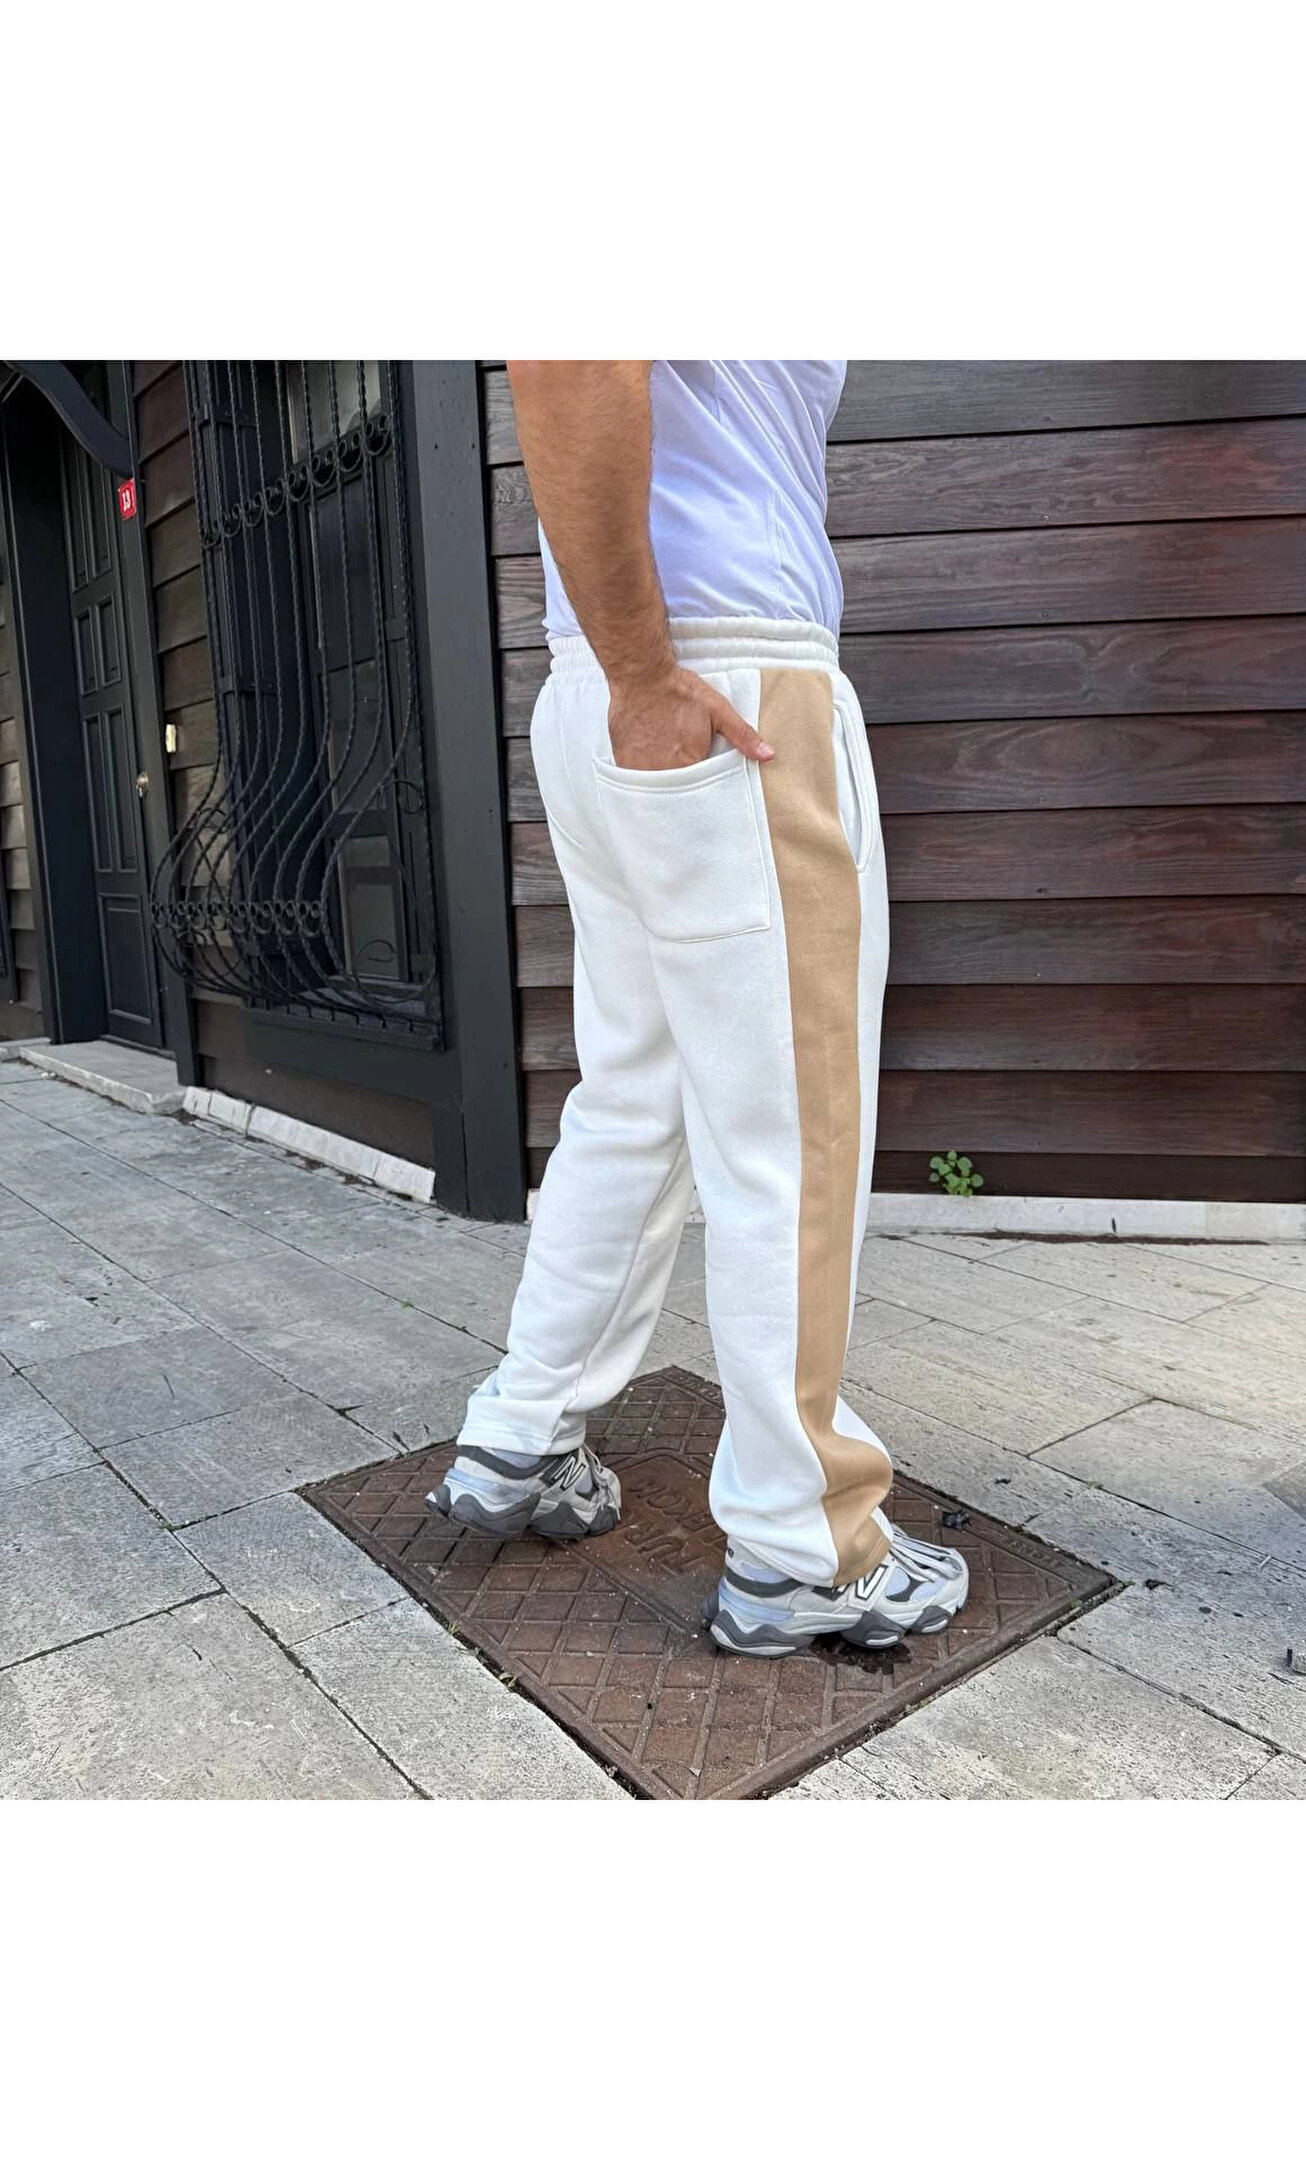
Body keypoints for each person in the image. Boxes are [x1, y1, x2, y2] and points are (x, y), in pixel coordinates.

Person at [427, 361, 970, 1657]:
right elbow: (569, 355)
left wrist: (631, 675)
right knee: (794, 1131)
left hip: (618, 683)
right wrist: (649, 675)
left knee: (639, 1094)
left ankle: (523, 1430)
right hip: (719, 686)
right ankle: (803, 1542)